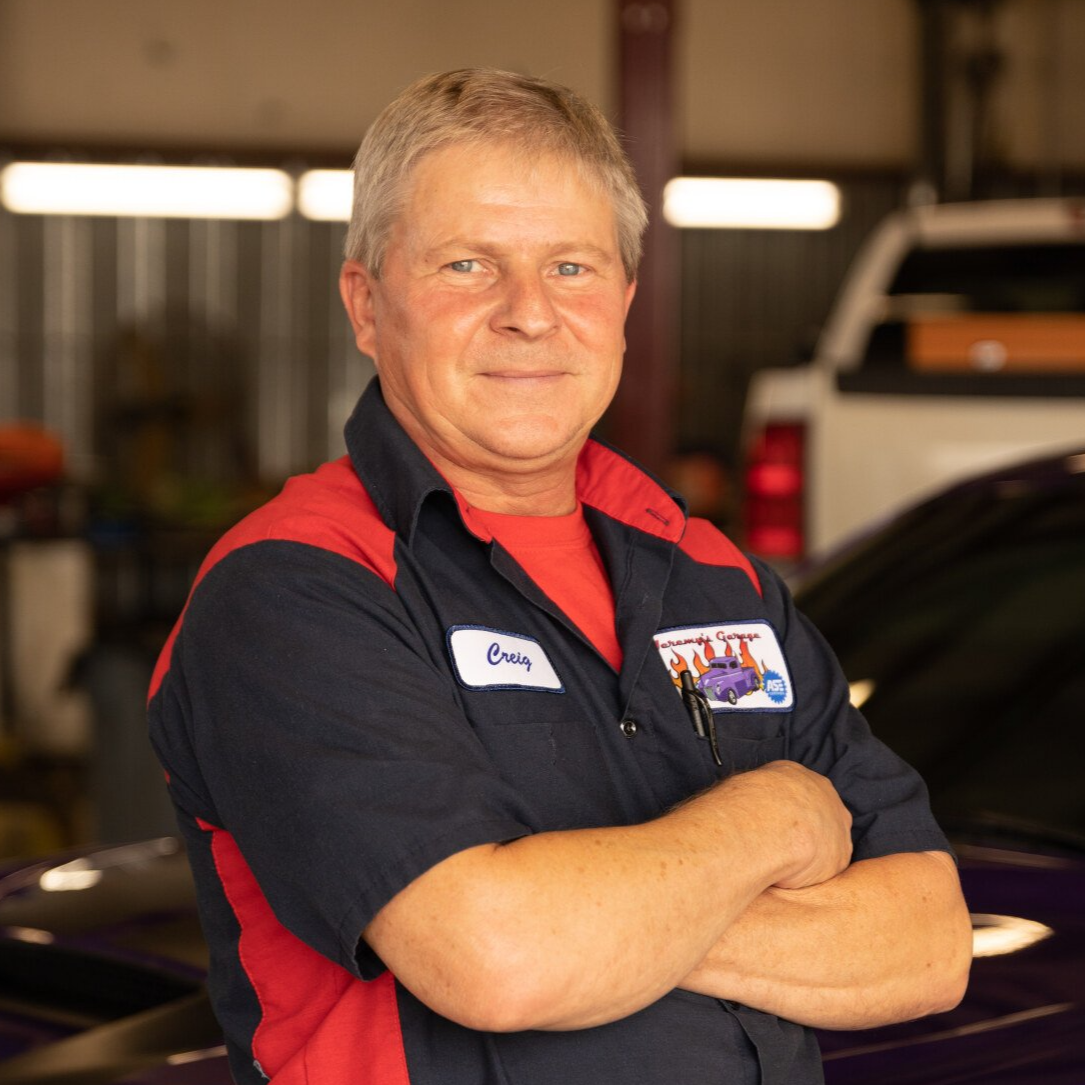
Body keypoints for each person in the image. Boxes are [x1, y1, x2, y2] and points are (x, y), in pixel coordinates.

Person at [148, 68, 971, 1085]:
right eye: (465, 264)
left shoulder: (714, 579)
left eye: (572, 267)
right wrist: (774, 818)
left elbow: (928, 945)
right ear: (366, 303)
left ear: (625, 299)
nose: (528, 313)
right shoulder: (294, 588)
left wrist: (598, 925)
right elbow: (497, 958)